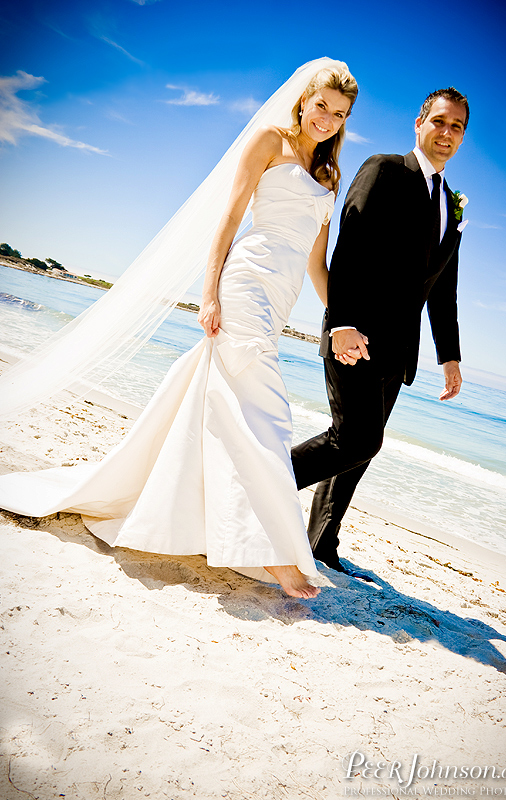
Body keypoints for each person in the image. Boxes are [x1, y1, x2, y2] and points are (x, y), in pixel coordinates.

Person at [0, 60, 358, 599]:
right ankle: (276, 552)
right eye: (322, 106)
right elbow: (231, 218)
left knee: (224, 409)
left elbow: (315, 262)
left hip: (280, 302)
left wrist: (339, 322)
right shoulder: (269, 140)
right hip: (244, 286)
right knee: (268, 414)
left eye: (340, 114)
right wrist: (209, 292)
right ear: (304, 100)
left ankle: (199, 519)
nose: (327, 119)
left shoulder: (329, 174)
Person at [291, 87, 469, 574]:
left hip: (398, 351)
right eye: (439, 122)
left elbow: (442, 288)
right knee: (356, 439)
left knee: (358, 448)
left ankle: (321, 542)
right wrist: (342, 322)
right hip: (354, 335)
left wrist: (448, 356)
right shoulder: (386, 169)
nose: (446, 133)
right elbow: (350, 244)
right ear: (419, 122)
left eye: (456, 127)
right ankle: (263, 482)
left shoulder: (451, 205)